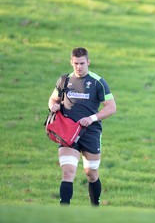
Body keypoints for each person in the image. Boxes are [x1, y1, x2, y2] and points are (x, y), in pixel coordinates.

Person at [48, 47, 117, 206]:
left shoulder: (98, 82)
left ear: (88, 62)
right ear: (71, 62)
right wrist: (53, 106)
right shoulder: (64, 80)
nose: (79, 66)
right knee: (68, 172)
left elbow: (111, 107)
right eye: (76, 63)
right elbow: (53, 99)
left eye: (82, 63)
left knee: (91, 173)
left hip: (90, 132)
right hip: (68, 133)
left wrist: (92, 118)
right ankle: (63, 212)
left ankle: (95, 208)